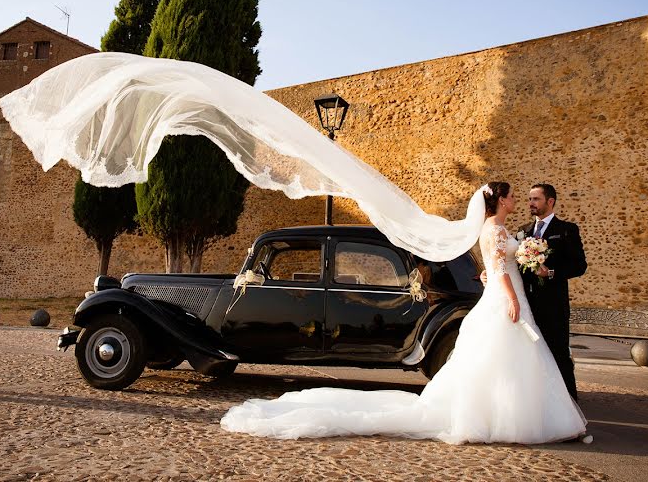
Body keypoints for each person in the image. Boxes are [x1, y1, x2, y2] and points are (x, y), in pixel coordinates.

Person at [220, 182, 589, 444]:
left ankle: (510, 413)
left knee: (502, 358)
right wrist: (508, 293)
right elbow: (499, 267)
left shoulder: (499, 229)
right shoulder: (499, 230)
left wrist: (514, 277)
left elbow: (497, 266)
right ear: (500, 201)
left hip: (508, 295)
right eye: (513, 196)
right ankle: (508, 415)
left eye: (529, 198)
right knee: (502, 358)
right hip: (506, 296)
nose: (519, 201)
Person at [520, 183, 587, 400]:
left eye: (536, 199)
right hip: (528, 305)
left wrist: (550, 273)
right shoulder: (523, 231)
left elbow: (579, 266)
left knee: (559, 355)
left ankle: (571, 405)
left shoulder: (566, 230)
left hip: (554, 306)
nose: (531, 203)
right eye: (530, 199)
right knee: (531, 357)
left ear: (550, 201)